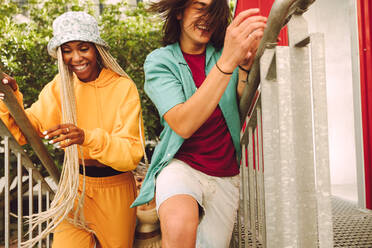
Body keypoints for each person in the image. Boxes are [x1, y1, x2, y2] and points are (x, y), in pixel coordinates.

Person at [0, 11, 144, 248]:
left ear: (97, 48)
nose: (76, 57)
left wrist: (86, 137)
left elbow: (130, 153)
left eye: (83, 48)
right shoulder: (60, 86)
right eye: (67, 50)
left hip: (116, 191)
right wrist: (10, 100)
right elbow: (27, 132)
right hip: (74, 189)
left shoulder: (122, 87)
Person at [131, 0, 267, 247]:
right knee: (178, 226)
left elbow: (235, 105)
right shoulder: (160, 62)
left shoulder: (223, 55)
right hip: (182, 165)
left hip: (225, 173)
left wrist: (245, 69)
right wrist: (228, 61)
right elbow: (182, 123)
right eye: (199, 7)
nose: (207, 18)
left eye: (213, 12)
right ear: (180, 11)